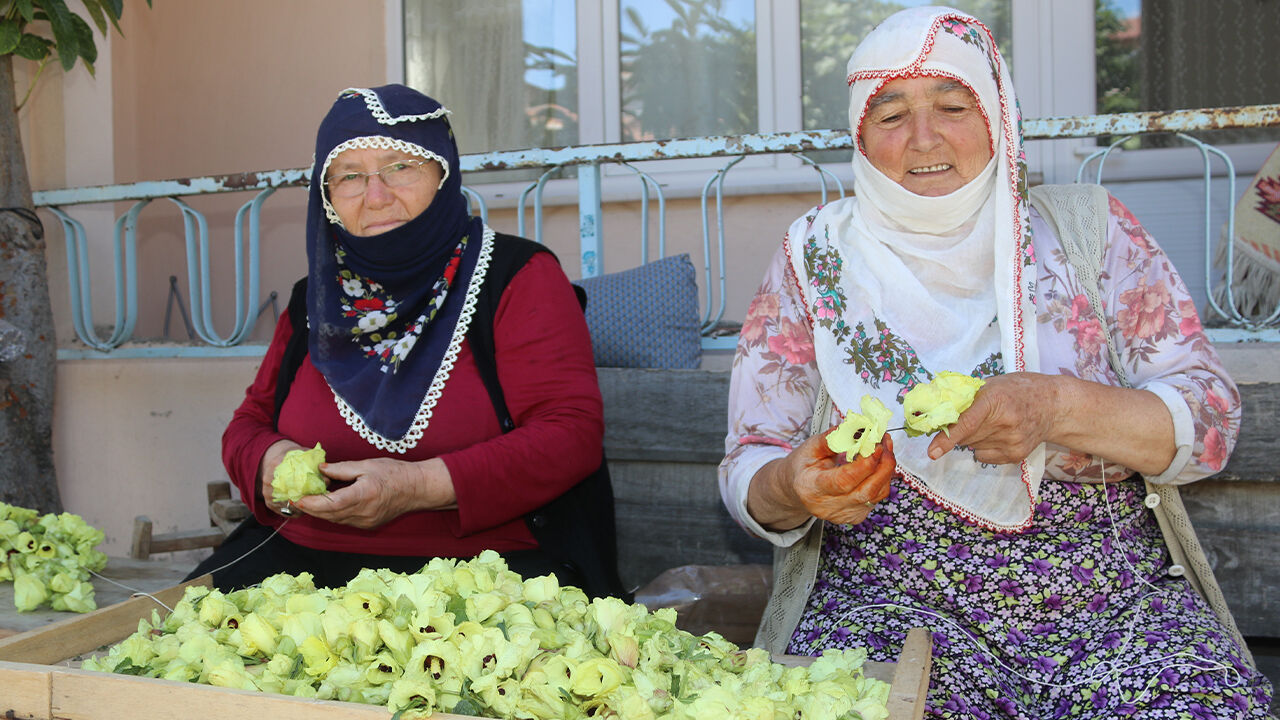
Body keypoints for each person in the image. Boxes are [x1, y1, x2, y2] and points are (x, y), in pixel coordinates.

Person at [720, 6, 1274, 718]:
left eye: (953, 105)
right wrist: (791, 489)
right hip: (893, 608)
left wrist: (1058, 406)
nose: (924, 138)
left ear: (998, 116)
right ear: (858, 133)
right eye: (889, 115)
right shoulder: (813, 259)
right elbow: (750, 462)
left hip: (1115, 608)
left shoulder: (1088, 232)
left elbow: (1211, 422)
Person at [188, 85, 625, 599]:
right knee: (151, 653)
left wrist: (415, 488)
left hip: (482, 574)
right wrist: (269, 460)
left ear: (443, 174)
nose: (376, 195)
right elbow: (248, 424)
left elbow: (569, 434)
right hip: (301, 565)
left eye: (400, 167)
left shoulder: (518, 276)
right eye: (349, 176)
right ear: (326, 197)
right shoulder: (317, 299)